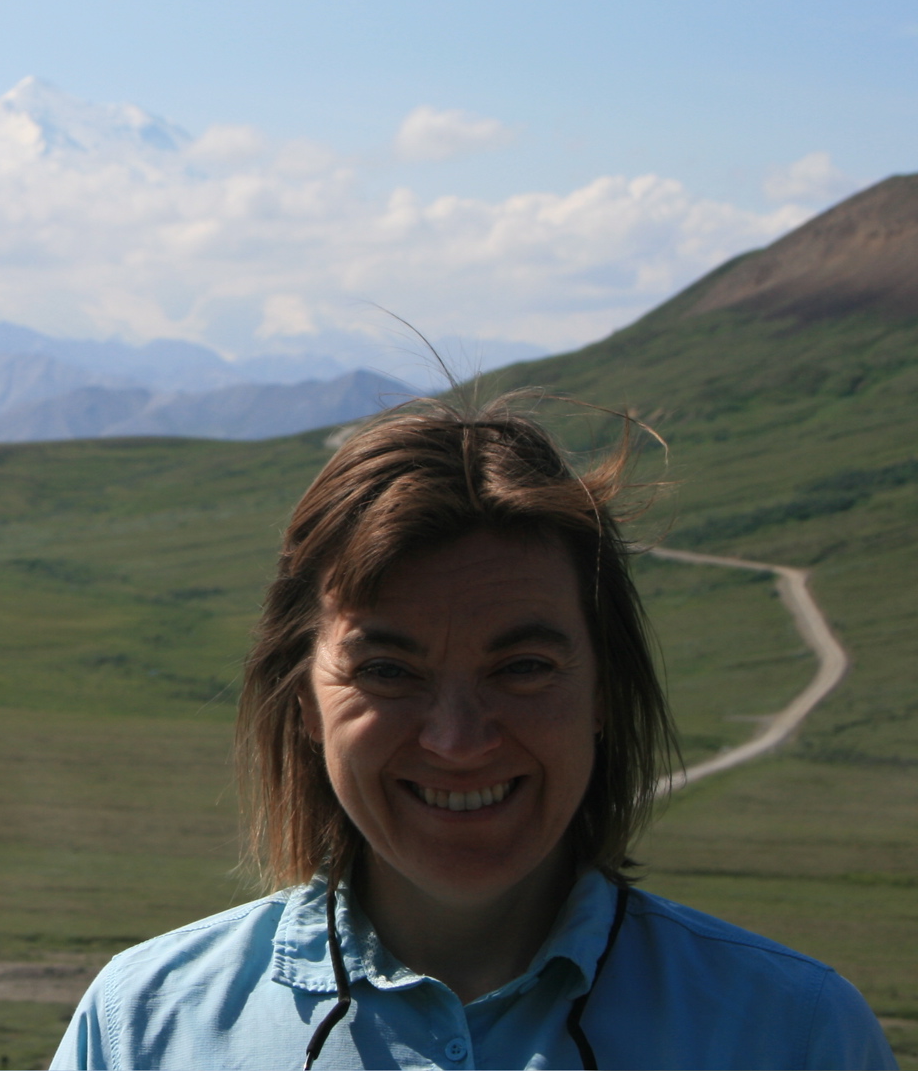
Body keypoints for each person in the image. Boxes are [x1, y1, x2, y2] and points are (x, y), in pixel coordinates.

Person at [51, 397, 896, 1070]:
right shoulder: (146, 1030)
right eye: (388, 671)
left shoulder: (795, 1036)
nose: (457, 742)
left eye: (523, 667)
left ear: (604, 690)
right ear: (302, 701)